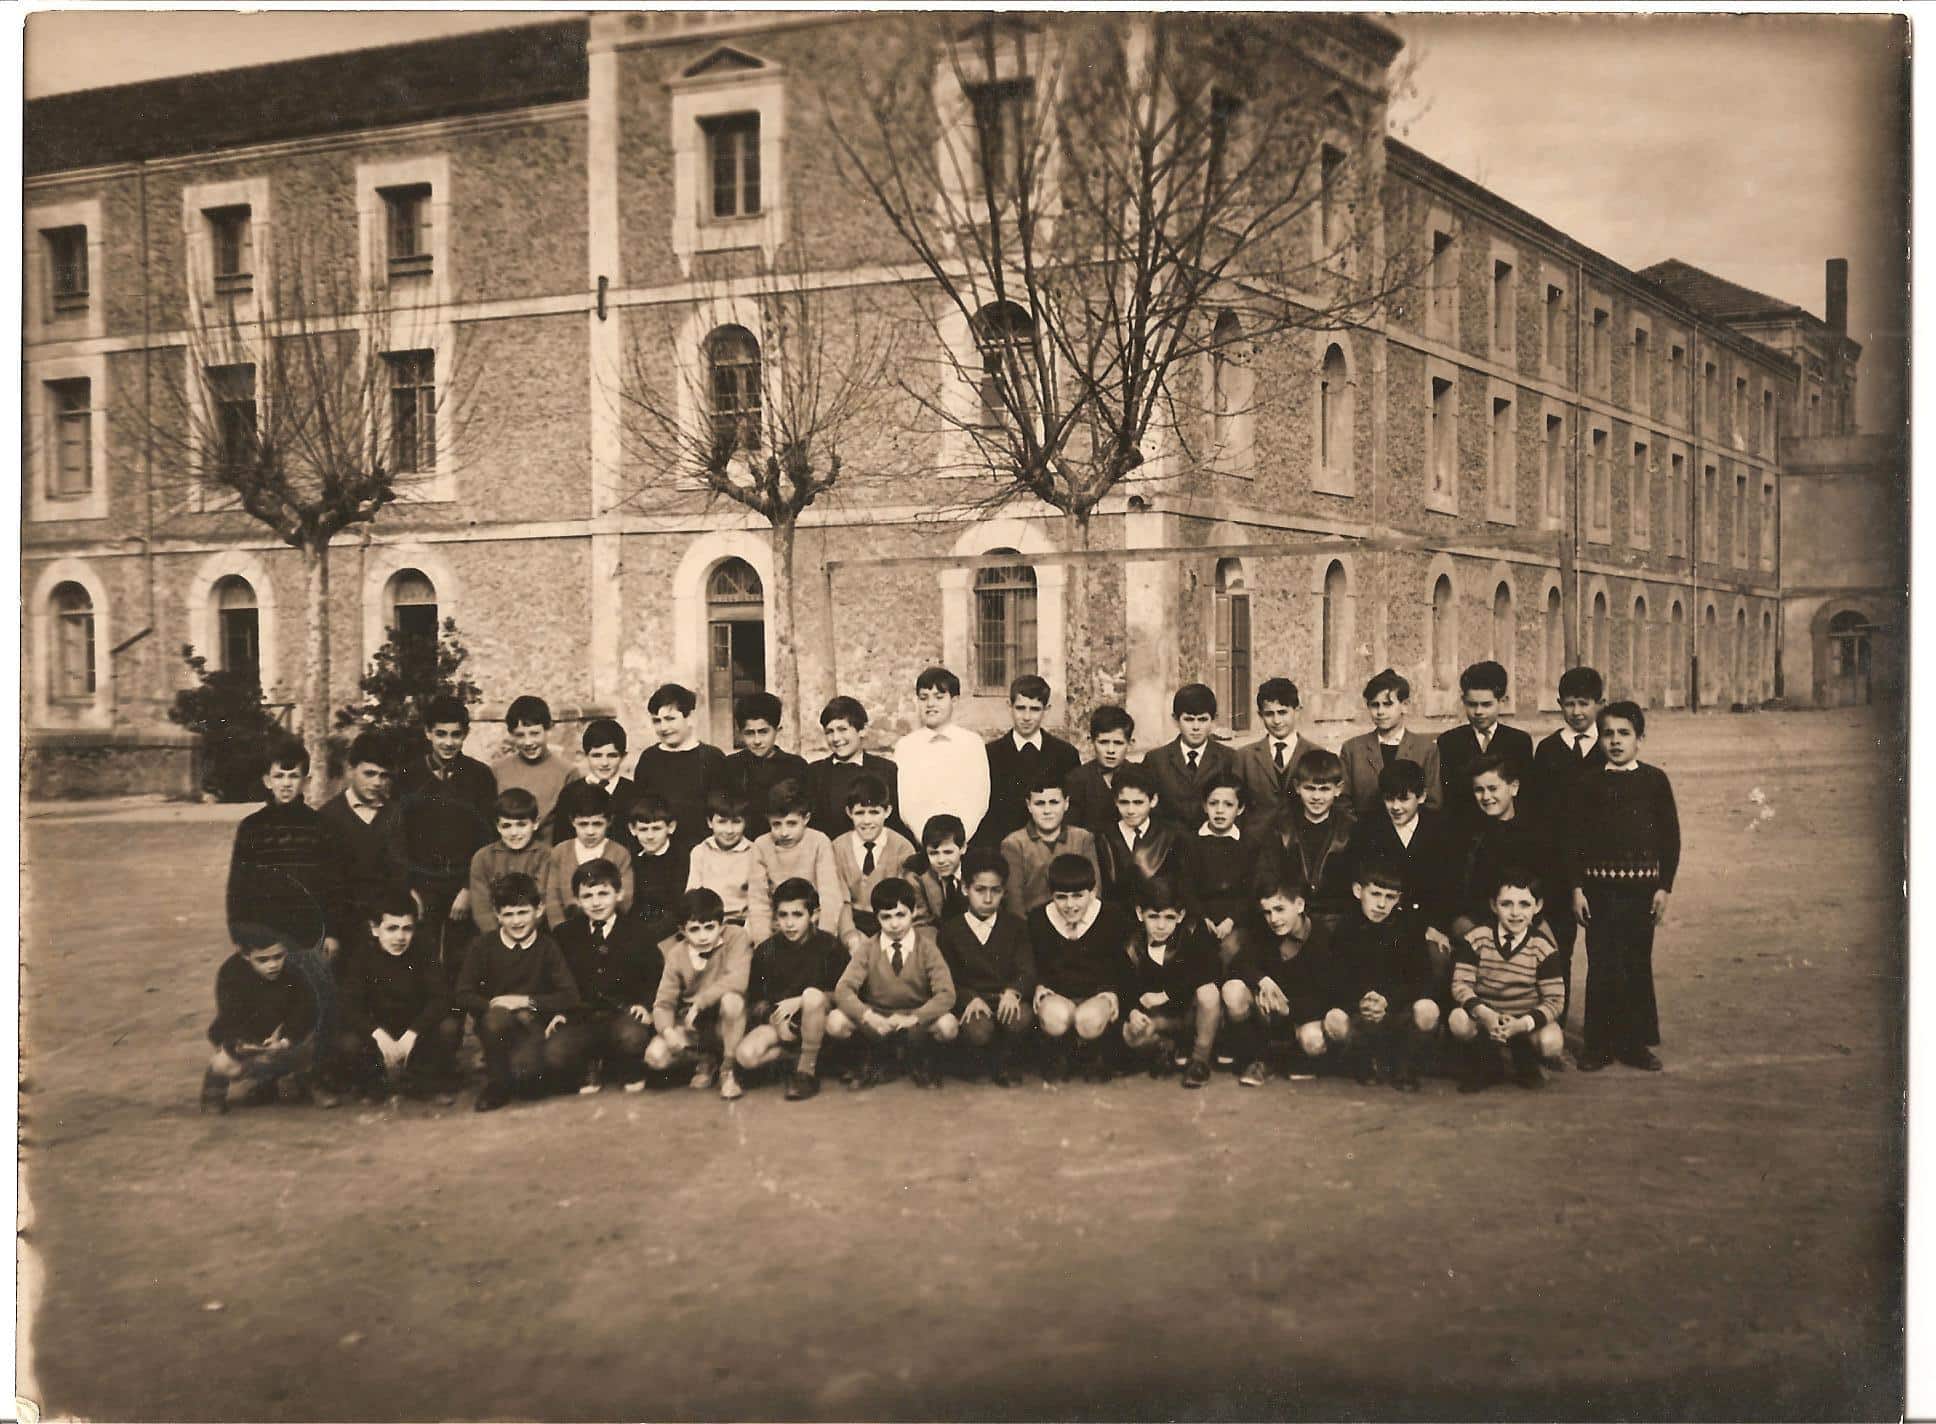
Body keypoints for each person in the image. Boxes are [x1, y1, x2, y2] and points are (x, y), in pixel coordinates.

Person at [225, 737, 347, 1106]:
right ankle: (265, 1078)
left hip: (309, 935)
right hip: (266, 936)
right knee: (267, 1008)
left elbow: (334, 886)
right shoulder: (251, 828)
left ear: (306, 780)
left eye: (294, 776)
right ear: (267, 780)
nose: (286, 784)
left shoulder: (321, 826)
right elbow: (239, 886)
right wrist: (242, 934)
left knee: (315, 1006)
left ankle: (315, 1079)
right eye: (279, 776)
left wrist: (334, 933)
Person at [1565, 701, 1680, 1073]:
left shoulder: (1654, 780)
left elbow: (1670, 839)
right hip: (1599, 893)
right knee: (1601, 964)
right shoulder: (1587, 784)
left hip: (1641, 893)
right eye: (1608, 734)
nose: (1615, 741)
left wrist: (1664, 887)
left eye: (1624, 733)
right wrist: (1577, 888)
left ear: (1639, 739)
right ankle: (1598, 1045)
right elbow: (1574, 841)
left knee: (1635, 963)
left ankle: (1634, 1044)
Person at [1450, 753, 1574, 1040]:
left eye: (1493, 789)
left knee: (1549, 950)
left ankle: (1539, 1027)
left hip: (1525, 917)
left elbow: (1551, 885)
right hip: (1480, 919)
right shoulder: (1468, 834)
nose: (1486, 797)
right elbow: (1460, 888)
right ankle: (1475, 1033)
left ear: (1514, 787)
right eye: (1479, 790)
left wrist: (1535, 922)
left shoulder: (1536, 832)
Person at [386, 695, 497, 981]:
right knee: (422, 955)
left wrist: (469, 889)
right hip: (422, 885)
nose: (448, 742)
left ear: (466, 734)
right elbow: (399, 837)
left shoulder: (479, 776)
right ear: (428, 733)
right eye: (441, 734)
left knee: (464, 957)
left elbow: (486, 837)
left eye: (456, 735)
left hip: (464, 882)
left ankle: (459, 1019)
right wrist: (410, 889)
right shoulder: (409, 776)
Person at [453, 872, 582, 1112]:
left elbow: (569, 995)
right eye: (508, 914)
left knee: (528, 1080)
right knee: (495, 1020)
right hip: (497, 1023)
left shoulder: (547, 946)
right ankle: (496, 1085)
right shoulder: (483, 946)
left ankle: (526, 1068)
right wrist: (497, 1005)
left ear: (539, 909)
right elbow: (463, 993)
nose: (516, 921)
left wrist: (525, 1001)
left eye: (523, 912)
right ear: (497, 914)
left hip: (533, 1024)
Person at [325, 891, 461, 1105]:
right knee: (347, 1041)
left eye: (407, 928)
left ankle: (424, 1083)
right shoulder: (361, 956)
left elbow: (441, 998)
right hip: (379, 1028)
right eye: (392, 928)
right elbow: (349, 1005)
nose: (400, 937)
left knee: (449, 1027)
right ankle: (374, 1084)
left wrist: (412, 1034)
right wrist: (377, 1035)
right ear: (374, 929)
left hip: (415, 1027)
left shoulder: (423, 951)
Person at [1325, 858, 1441, 1091]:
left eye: (1390, 897)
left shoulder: (1409, 928)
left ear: (1399, 899)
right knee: (1334, 1019)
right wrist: (1363, 1000)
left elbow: (1421, 979)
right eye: (1375, 894)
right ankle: (1363, 1059)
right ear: (1358, 891)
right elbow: (1335, 979)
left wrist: (1387, 999)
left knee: (1428, 1009)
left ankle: (1403, 1064)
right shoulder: (1345, 928)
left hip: (1396, 1009)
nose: (1381, 904)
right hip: (1360, 1008)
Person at [735, 877, 856, 1101]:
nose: (790, 923)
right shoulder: (766, 951)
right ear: (775, 917)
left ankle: (806, 1072)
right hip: (784, 1026)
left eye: (797, 915)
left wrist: (800, 1000)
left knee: (812, 997)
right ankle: (792, 1060)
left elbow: (847, 994)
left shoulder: (829, 946)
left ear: (815, 914)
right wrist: (771, 1017)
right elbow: (755, 1001)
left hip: (821, 1020)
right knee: (745, 1056)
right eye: (783, 915)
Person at [1448, 868, 1566, 1091]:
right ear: (1494, 906)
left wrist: (1522, 1024)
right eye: (1506, 904)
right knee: (1458, 1019)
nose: (1515, 913)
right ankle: (1487, 1062)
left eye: (1524, 904)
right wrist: (1486, 1015)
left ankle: (1525, 1059)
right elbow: (1460, 984)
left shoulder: (1543, 947)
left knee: (1551, 1042)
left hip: (1523, 1018)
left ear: (1537, 906)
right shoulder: (1477, 938)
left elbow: (1555, 1000)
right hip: (1486, 1016)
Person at [551, 859, 663, 1094]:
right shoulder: (565, 934)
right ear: (578, 900)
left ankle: (624, 1064)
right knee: (556, 1053)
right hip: (582, 1015)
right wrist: (559, 1012)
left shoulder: (638, 932)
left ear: (619, 893)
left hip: (623, 1012)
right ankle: (590, 1064)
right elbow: (556, 979)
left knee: (631, 1036)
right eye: (588, 896)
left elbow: (655, 975)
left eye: (603, 893)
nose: (596, 902)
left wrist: (645, 1005)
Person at [834, 878, 957, 1089]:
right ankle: (874, 1056)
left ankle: (921, 1058)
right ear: (877, 918)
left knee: (948, 1025)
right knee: (836, 1022)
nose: (894, 923)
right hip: (878, 1018)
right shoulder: (868, 948)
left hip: (914, 1018)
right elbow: (843, 988)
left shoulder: (926, 948)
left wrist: (915, 1018)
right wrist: (868, 1016)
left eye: (901, 914)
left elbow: (946, 993)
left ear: (914, 912)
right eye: (886, 917)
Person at [933, 848, 1036, 1087]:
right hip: (973, 1000)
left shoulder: (1015, 927)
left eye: (995, 891)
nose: (988, 899)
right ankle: (976, 1059)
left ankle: (1005, 1061)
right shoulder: (950, 930)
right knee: (978, 1029)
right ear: (965, 889)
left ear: (1004, 892)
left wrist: (1013, 991)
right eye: (980, 890)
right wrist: (968, 998)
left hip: (1004, 997)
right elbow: (945, 978)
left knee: (1020, 1018)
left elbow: (1027, 969)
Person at [1028, 852, 1133, 1083]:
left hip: (1096, 995)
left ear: (1092, 892)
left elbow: (1122, 965)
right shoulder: (1038, 919)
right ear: (1051, 895)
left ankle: (1094, 1055)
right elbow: (1033, 962)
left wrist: (1111, 992)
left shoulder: (1112, 916)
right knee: (1055, 1016)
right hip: (1059, 995)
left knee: (1088, 1020)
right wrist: (1039, 986)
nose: (1070, 905)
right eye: (1061, 897)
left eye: (1078, 896)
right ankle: (1060, 1054)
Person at [1352, 759, 1460, 979]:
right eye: (1389, 799)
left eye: (1404, 799)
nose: (1396, 807)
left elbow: (1450, 888)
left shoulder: (1441, 830)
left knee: (1436, 955)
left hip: (1430, 921)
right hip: (1383, 920)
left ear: (1421, 797)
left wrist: (1434, 927)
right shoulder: (1368, 829)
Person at [645, 888, 754, 1100]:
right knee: (655, 1057)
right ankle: (705, 1059)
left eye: (709, 928)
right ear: (682, 931)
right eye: (694, 929)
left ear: (721, 926)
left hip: (727, 1020)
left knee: (733, 1001)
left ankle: (728, 1069)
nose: (703, 936)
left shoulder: (736, 937)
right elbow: (663, 1003)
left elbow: (738, 980)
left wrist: (700, 1002)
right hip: (694, 1024)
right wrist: (667, 1031)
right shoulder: (676, 954)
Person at [1120, 876, 1227, 1089]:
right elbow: (1124, 985)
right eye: (1153, 917)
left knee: (1209, 993)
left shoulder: (1193, 934)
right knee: (1130, 1034)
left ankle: (1199, 1060)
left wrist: (1167, 994)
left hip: (1190, 1014)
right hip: (1159, 1018)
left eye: (1169, 917)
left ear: (1181, 916)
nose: (1161, 925)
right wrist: (1132, 1012)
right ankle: (1164, 1048)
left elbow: (1210, 972)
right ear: (1140, 914)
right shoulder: (1132, 945)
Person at [200, 927, 319, 1114]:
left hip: (288, 1037)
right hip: (252, 1041)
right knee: (222, 1064)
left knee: (319, 1046)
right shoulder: (231, 974)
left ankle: (307, 1081)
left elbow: (305, 1010)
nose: (273, 965)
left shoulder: (297, 968)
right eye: (262, 960)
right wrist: (245, 1044)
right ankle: (213, 1094)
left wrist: (286, 1039)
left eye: (278, 956)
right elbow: (229, 1016)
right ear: (245, 955)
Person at [1249, 875, 1337, 1082]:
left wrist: (1289, 1009)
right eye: (1267, 912)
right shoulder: (1265, 931)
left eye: (1280, 910)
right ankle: (1257, 1057)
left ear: (1299, 905)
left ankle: (1299, 1058)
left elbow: (1328, 993)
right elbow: (1240, 963)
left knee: (1313, 1041)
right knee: (1234, 990)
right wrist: (1263, 980)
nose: (1273, 919)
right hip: (1273, 1011)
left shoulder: (1320, 937)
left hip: (1306, 1014)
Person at [893, 666, 990, 845]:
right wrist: (929, 841)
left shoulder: (972, 743)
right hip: (922, 842)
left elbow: (979, 800)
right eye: (924, 698)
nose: (930, 704)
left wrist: (956, 841)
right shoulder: (906, 747)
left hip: (962, 843)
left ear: (954, 700)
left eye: (939, 697)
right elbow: (906, 804)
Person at [1261, 748, 1356, 932]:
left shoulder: (1351, 829)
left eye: (1325, 789)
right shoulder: (1282, 828)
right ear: (1297, 787)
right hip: (1294, 919)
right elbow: (1269, 876)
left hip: (1338, 919)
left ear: (1338, 789)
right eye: (1309, 788)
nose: (1316, 797)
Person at [982, 674, 1081, 848]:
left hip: (1052, 851)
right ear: (1009, 706)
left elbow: (1071, 809)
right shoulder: (990, 754)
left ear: (1047, 709)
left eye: (1035, 709)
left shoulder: (1065, 754)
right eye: (1020, 708)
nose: (1026, 717)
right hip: (1002, 849)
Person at [744, 778, 846, 946]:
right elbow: (758, 900)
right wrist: (764, 945)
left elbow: (830, 896)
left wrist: (824, 940)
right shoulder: (761, 845)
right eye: (776, 824)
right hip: (776, 922)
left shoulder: (819, 841)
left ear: (806, 818)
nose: (784, 832)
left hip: (812, 922)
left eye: (791, 824)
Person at [631, 683, 728, 858]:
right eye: (657, 721)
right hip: (661, 854)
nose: (663, 728)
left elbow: (722, 810)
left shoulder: (713, 758)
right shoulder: (649, 759)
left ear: (689, 717)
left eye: (670, 719)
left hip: (704, 853)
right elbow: (641, 809)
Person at [1437, 660, 1534, 834]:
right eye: (1472, 704)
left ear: (1502, 701)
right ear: (1463, 701)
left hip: (1508, 832)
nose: (1479, 712)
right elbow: (1448, 797)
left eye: (1486, 704)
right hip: (1463, 834)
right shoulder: (1449, 742)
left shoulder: (1519, 741)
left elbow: (1526, 795)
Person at [321, 731, 406, 925]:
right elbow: (326, 883)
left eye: (384, 775)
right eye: (369, 774)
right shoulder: (329, 816)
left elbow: (399, 872)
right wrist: (332, 932)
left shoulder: (394, 813)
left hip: (386, 923)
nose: (377, 783)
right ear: (351, 770)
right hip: (345, 922)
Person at [1340, 668, 1442, 822]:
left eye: (1387, 704)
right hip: (1365, 837)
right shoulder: (1353, 749)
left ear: (1405, 705)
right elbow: (1343, 801)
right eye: (1374, 705)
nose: (1380, 712)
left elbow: (1433, 803)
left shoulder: (1426, 749)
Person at [999, 770, 1102, 921]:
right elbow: (1014, 900)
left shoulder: (1082, 838)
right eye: (1040, 803)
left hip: (1077, 922)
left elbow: (1094, 890)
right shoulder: (1014, 844)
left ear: (1066, 803)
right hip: (1033, 926)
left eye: (1054, 802)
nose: (1047, 811)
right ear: (1029, 805)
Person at [1194, 772, 1262, 995]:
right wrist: (1202, 917)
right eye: (1213, 803)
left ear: (1240, 809)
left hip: (1235, 919)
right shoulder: (1191, 842)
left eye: (1228, 804)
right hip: (1201, 918)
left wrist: (1232, 920)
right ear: (1204, 806)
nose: (1220, 810)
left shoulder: (1247, 844)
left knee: (1233, 949)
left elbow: (1251, 889)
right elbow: (1185, 884)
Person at [832, 774, 917, 950]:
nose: (867, 821)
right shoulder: (837, 847)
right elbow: (840, 901)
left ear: (887, 811)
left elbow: (906, 902)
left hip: (890, 922)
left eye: (874, 812)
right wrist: (850, 935)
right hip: (850, 922)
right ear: (849, 812)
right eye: (860, 813)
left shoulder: (902, 847)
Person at [1095, 762, 1196, 910]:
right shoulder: (1103, 837)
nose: (1130, 810)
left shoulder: (1172, 836)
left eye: (1138, 803)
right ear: (1115, 801)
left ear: (1153, 800)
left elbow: (1184, 887)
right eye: (1124, 802)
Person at [805, 695, 903, 839]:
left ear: (862, 730)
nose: (836, 738)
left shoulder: (885, 770)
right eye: (829, 732)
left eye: (842, 729)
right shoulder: (815, 772)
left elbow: (893, 822)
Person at [1233, 677, 1323, 832]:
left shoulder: (1317, 754)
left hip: (1302, 844)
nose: (1276, 721)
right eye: (1269, 714)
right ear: (1260, 715)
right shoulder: (1244, 757)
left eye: (1282, 712)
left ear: (1297, 711)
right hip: (1257, 846)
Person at [544, 782, 635, 928]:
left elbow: (625, 900)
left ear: (609, 821)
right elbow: (553, 901)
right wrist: (561, 931)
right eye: (583, 824)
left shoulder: (619, 854)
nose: (590, 831)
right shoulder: (560, 852)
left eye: (597, 824)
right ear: (572, 821)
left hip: (607, 928)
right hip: (568, 931)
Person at [1528, 665, 1608, 833]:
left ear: (1600, 704)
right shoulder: (1548, 749)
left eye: (1583, 704)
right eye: (1569, 704)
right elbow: (1537, 803)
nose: (1576, 711)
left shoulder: (1610, 745)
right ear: (1560, 704)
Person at [1147, 683, 1238, 829]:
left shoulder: (1229, 758)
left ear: (1214, 720)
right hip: (1170, 845)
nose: (1196, 727)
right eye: (1189, 719)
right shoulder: (1156, 760)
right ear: (1175, 720)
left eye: (1202, 719)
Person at [721, 692, 809, 843]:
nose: (757, 741)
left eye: (763, 732)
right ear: (740, 733)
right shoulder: (730, 766)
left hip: (783, 846)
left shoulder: (796, 766)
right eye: (749, 733)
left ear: (777, 730)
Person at [491, 695, 579, 844]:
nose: (528, 742)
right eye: (520, 735)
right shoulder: (497, 770)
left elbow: (571, 830)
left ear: (548, 728)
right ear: (511, 734)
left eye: (535, 733)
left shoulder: (567, 773)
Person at [468, 788, 554, 936]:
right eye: (506, 825)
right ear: (497, 826)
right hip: (494, 938)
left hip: (536, 936)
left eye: (521, 825)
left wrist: (522, 935)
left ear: (535, 823)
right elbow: (481, 909)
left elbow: (543, 901)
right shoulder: (483, 857)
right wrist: (500, 940)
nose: (514, 833)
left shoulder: (547, 855)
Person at [684, 788, 756, 927]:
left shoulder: (754, 853)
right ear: (710, 822)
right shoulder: (700, 852)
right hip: (705, 923)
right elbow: (692, 895)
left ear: (745, 823)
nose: (729, 830)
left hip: (740, 924)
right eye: (722, 822)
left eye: (736, 822)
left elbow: (757, 902)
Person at [625, 794, 689, 939]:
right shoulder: (632, 858)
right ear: (632, 829)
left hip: (671, 931)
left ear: (671, 827)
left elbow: (677, 907)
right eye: (643, 829)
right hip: (639, 930)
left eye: (656, 829)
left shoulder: (681, 858)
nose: (650, 836)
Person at [1067, 705, 1135, 837]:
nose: (1110, 750)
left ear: (1130, 744)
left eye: (1118, 743)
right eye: (1103, 742)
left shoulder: (1140, 776)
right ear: (1091, 741)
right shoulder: (1077, 779)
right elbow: (1072, 831)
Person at [575, 718, 639, 851]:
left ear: (623, 756)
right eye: (597, 756)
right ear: (585, 755)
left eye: (612, 755)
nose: (604, 763)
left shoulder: (635, 793)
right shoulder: (571, 793)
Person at [906, 814, 971, 929]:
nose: (941, 860)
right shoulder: (917, 877)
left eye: (948, 852)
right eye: (934, 853)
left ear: (963, 848)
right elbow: (921, 925)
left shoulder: (977, 872)